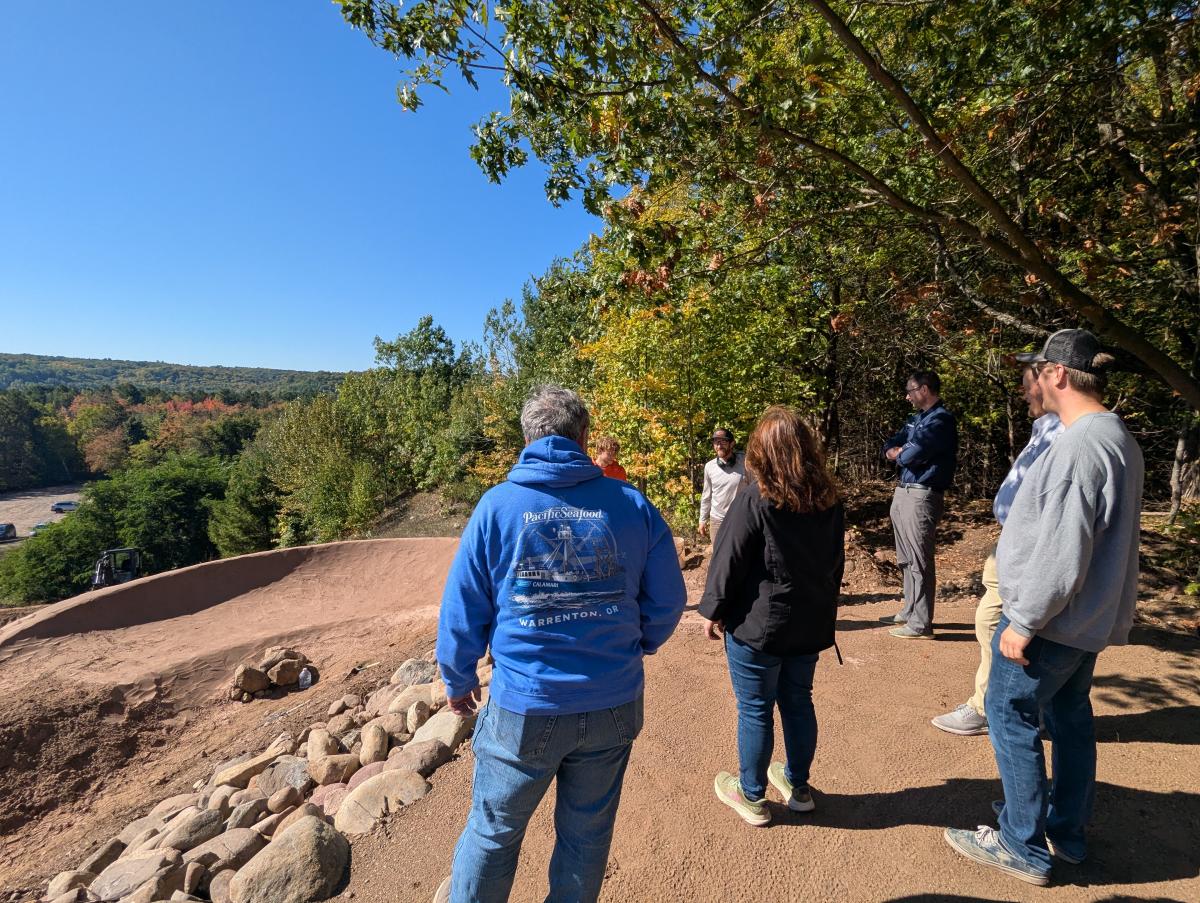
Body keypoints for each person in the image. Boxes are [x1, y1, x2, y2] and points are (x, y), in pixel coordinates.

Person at [434, 384, 687, 903]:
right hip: (613, 701)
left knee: (493, 834)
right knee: (587, 837)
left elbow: (463, 608)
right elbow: (667, 601)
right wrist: (636, 646)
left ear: (526, 438)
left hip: (526, 704)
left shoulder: (498, 507)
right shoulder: (631, 503)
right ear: (584, 437)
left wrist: (458, 679)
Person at [944, 329, 1143, 886]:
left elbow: (1063, 547)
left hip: (1053, 621)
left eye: (1038, 369)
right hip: (1085, 620)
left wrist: (1025, 621)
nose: (1031, 378)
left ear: (1058, 373)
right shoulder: (1115, 437)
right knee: (1070, 719)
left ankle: (1022, 844)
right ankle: (1065, 831)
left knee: (1012, 718)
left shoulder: (1080, 446)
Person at [698, 406, 845, 826]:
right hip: (808, 622)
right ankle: (798, 786)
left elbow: (730, 560)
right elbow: (836, 563)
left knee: (756, 709)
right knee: (798, 702)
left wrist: (712, 611)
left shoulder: (756, 496)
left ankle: (753, 795)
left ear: (761, 450)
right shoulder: (828, 500)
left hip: (759, 627)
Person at [932, 362, 1063, 735]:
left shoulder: (1064, 433)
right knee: (992, 620)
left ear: (1049, 381)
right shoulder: (1045, 428)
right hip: (1012, 541)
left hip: (1029, 546)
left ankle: (996, 709)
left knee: (1000, 624)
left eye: (1026, 385)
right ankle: (998, 705)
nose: (1023, 393)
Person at [880, 371, 957, 638]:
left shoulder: (941, 421)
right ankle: (910, 609)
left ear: (924, 390)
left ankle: (921, 623)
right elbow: (891, 444)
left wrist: (901, 454)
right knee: (905, 557)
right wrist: (897, 451)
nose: (907, 396)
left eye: (910, 390)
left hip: (922, 495)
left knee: (919, 559)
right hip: (904, 492)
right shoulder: (916, 420)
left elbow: (911, 454)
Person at [699, 427, 748, 547]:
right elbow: (706, 496)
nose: (719, 445)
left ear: (732, 443)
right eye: (716, 442)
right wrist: (702, 520)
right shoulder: (709, 467)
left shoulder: (745, 462)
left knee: (741, 553)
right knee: (718, 555)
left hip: (740, 517)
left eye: (723, 441)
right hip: (717, 520)